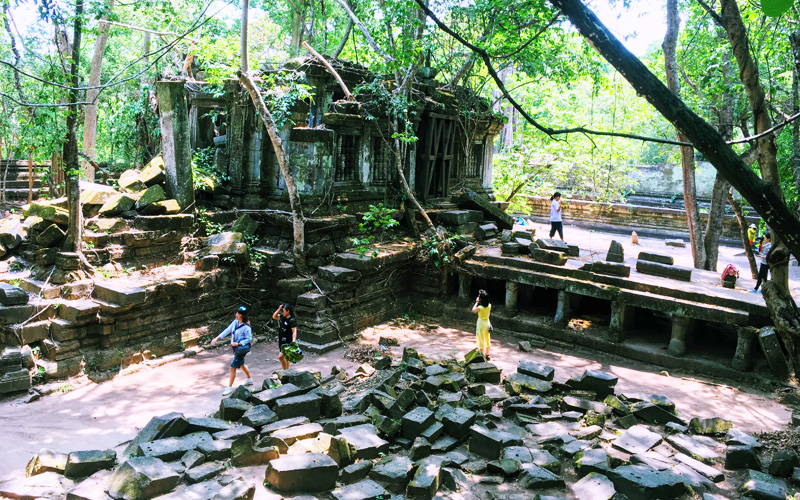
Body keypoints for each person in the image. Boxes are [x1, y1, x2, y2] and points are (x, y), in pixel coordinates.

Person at [211, 305, 253, 396]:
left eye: (238, 314)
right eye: (237, 313)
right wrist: (217, 338)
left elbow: (249, 339)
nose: (236, 314)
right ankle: (249, 379)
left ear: (243, 316)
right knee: (241, 364)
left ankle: (229, 387)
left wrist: (238, 343)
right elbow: (227, 330)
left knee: (232, 367)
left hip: (241, 349)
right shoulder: (235, 322)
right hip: (236, 348)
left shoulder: (246, 327)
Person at [273, 303, 297, 370]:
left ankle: (284, 370)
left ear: (288, 311)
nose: (282, 312)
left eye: (283, 311)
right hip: (281, 340)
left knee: (280, 357)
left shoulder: (292, 320)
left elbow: (294, 332)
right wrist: (279, 309)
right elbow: (274, 316)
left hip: (288, 341)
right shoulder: (282, 317)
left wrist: (293, 342)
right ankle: (287, 370)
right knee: (286, 357)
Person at [472, 290, 492, 360]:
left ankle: (482, 356)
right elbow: (486, 300)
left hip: (481, 324)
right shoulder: (489, 306)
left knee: (481, 339)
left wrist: (477, 301)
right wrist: (484, 294)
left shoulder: (480, 308)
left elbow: (473, 309)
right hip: (487, 323)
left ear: (481, 300)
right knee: (487, 338)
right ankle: (487, 354)